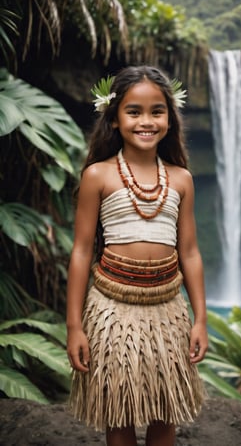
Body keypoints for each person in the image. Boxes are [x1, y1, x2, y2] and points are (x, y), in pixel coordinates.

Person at [66, 65, 208, 446]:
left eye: (157, 111)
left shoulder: (181, 179)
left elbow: (190, 253)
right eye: (134, 111)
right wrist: (74, 326)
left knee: (166, 409)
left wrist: (200, 319)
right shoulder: (98, 175)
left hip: (168, 310)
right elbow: (81, 252)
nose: (146, 121)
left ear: (170, 118)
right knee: (120, 412)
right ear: (114, 119)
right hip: (111, 309)